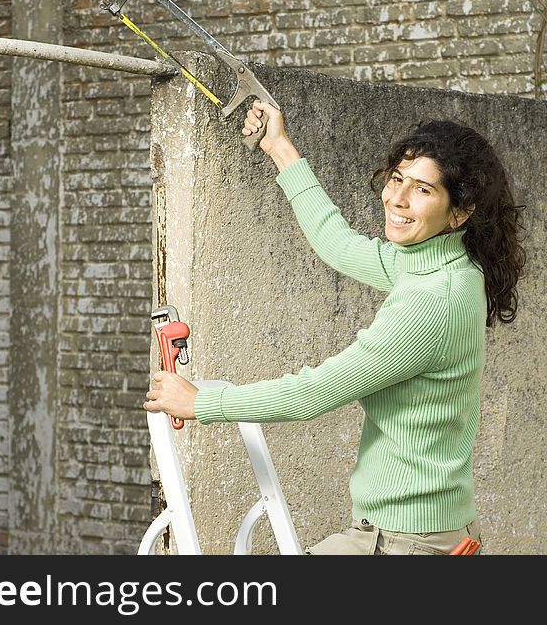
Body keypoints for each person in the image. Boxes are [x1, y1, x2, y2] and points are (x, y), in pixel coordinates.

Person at [143, 100, 526, 555]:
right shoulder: (439, 266)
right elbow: (339, 244)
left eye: (422, 190)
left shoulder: (431, 302)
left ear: (459, 212)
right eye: (397, 179)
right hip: (421, 532)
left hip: (405, 543)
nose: (397, 199)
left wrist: (202, 402)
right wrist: (280, 148)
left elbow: (314, 393)